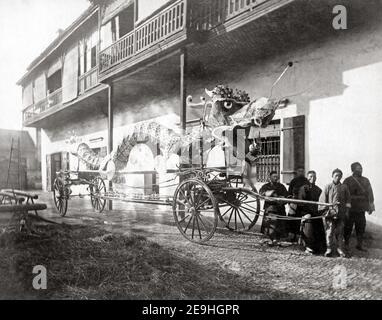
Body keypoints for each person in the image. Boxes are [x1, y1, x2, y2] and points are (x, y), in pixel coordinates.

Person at [319, 169, 351, 258]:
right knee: (329, 232)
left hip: (341, 213)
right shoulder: (327, 187)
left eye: (340, 176)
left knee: (340, 232)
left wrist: (347, 211)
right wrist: (325, 211)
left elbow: (348, 200)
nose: (338, 177)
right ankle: (329, 249)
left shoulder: (344, 187)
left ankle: (340, 249)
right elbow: (322, 200)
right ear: (332, 176)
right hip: (330, 213)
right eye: (336, 175)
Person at [343, 162, 375, 252]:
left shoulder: (366, 180)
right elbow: (343, 193)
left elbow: (370, 193)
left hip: (361, 208)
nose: (360, 170)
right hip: (350, 208)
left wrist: (371, 205)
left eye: (361, 168)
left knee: (361, 226)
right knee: (348, 226)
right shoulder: (347, 180)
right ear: (353, 170)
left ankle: (359, 244)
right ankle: (346, 244)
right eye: (358, 168)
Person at [297, 171, 325, 254]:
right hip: (306, 212)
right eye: (310, 176)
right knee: (309, 223)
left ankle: (318, 247)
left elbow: (321, 202)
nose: (312, 178)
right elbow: (301, 202)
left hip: (316, 213)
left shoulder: (318, 190)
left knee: (319, 223)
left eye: (314, 176)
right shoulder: (303, 188)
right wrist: (306, 213)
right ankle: (308, 246)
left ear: (316, 178)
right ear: (307, 178)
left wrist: (320, 211)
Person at [259, 171, 289, 242]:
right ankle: (272, 237)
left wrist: (283, 199)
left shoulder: (281, 186)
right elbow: (261, 195)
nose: (276, 178)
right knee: (272, 221)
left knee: (282, 221)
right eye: (274, 177)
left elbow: (287, 196)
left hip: (280, 208)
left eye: (277, 177)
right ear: (270, 178)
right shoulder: (266, 186)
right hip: (271, 208)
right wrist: (271, 192)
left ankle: (279, 237)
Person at [287, 167, 309, 239]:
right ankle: (291, 235)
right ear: (297, 172)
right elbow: (289, 192)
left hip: (302, 204)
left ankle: (298, 236)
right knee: (291, 218)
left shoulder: (306, 181)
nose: (301, 172)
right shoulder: (293, 181)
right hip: (293, 203)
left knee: (299, 220)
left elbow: (308, 193)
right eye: (299, 171)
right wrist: (290, 203)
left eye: (302, 171)